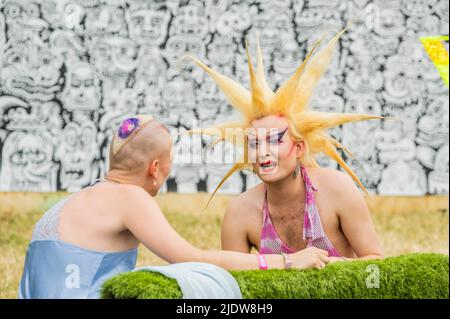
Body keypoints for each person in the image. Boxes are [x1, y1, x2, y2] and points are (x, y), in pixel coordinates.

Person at [18, 115, 331, 299]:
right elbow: (194, 259)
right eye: (168, 167)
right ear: (155, 169)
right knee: (194, 280)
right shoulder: (130, 197)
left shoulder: (68, 204)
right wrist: (287, 262)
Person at [185, 29, 383, 259]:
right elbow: (232, 285)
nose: (263, 151)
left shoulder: (337, 190)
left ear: (299, 148)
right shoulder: (239, 214)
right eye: (254, 143)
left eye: (274, 140)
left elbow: (374, 262)